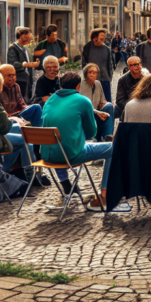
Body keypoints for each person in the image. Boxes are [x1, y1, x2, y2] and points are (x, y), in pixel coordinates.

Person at [41, 72, 114, 208]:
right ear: (78, 86)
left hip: (47, 155)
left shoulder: (50, 100)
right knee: (113, 148)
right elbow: (92, 132)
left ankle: (65, 182)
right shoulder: (83, 100)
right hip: (72, 155)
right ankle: (105, 193)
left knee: (58, 143)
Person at [78, 63, 115, 140]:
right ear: (86, 74)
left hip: (98, 110)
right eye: (90, 72)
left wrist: (105, 105)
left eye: (95, 72)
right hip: (87, 112)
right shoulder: (80, 85)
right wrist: (96, 111)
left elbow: (102, 101)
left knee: (109, 106)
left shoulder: (98, 83)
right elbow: (80, 105)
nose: (92, 74)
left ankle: (108, 136)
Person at [81, 29, 116, 102]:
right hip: (92, 81)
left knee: (107, 103)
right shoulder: (87, 48)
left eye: (104, 39)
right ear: (94, 38)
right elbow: (84, 65)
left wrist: (110, 78)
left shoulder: (106, 49)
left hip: (105, 80)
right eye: (101, 39)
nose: (103, 41)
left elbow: (110, 65)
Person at [7, 27, 40, 101]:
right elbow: (13, 64)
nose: (27, 38)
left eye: (28, 36)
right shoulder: (13, 48)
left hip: (26, 79)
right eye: (25, 36)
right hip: (20, 80)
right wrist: (25, 65)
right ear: (20, 36)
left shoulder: (24, 49)